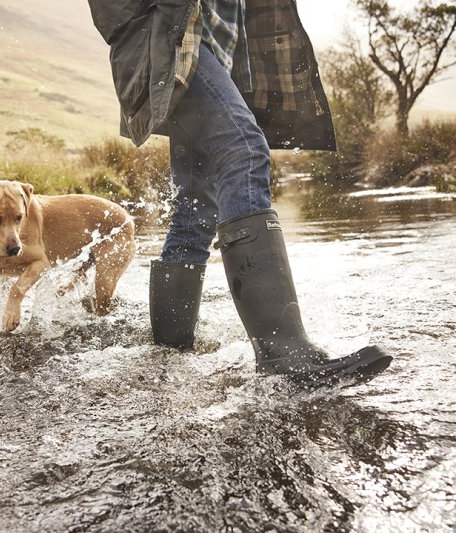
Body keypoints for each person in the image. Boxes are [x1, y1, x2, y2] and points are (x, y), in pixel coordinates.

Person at [88, 0, 393, 386]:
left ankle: (168, 351)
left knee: (196, 204)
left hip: (214, 43)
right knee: (245, 150)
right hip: (172, 38)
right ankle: (284, 357)